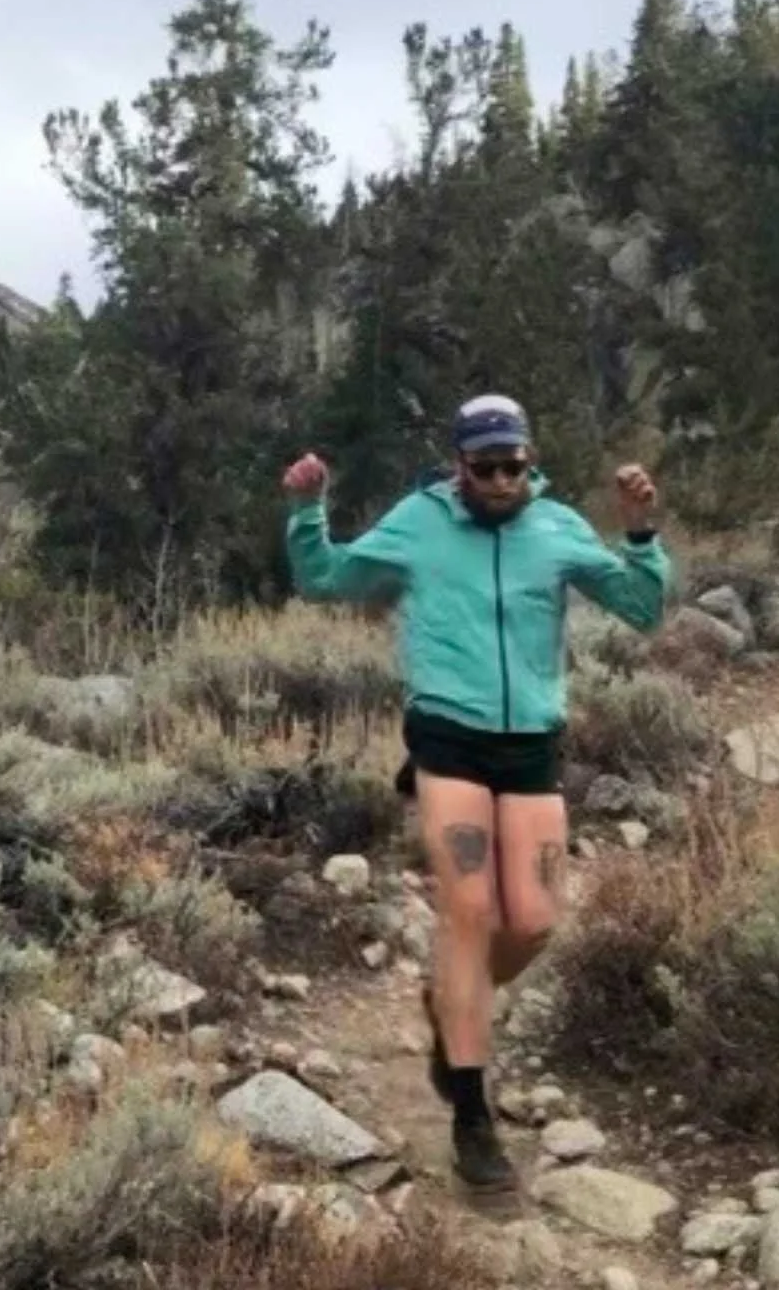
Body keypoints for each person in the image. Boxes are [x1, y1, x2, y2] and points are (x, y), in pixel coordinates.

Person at [279, 394, 670, 1195]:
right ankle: (470, 1113)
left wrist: (639, 533)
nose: (499, 481)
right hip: (447, 735)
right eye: (483, 466)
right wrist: (307, 509)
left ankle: (452, 1003)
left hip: (529, 743)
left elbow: (643, 607)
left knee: (533, 920)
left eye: (513, 467)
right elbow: (323, 579)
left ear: (530, 462)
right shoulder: (422, 522)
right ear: (457, 465)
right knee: (468, 911)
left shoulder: (557, 527)